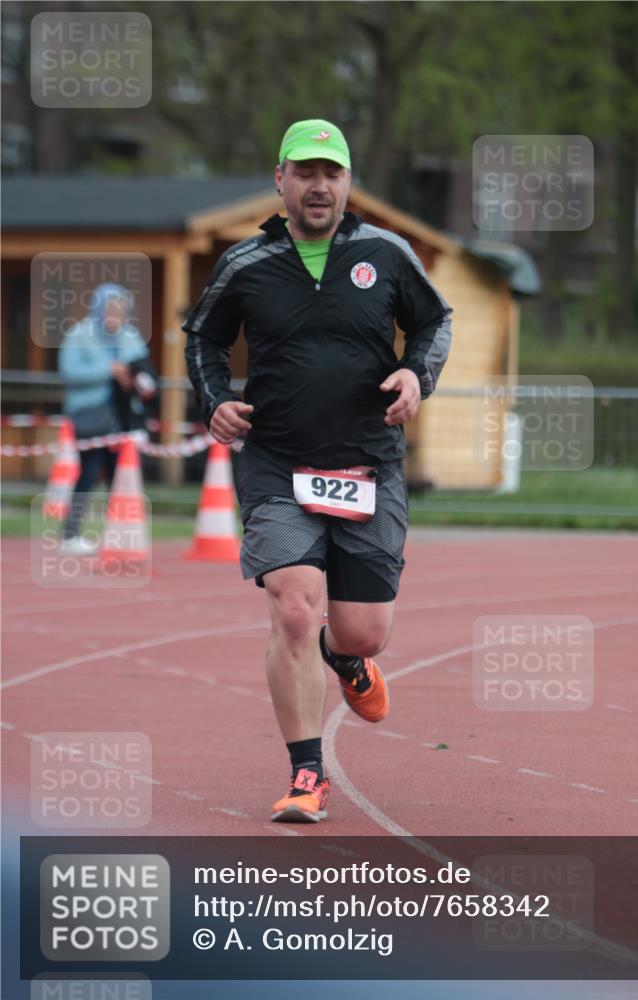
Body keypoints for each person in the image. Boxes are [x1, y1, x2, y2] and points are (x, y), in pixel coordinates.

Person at [183, 119, 452, 822]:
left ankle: (348, 658)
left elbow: (435, 321)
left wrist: (416, 375)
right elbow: (204, 338)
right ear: (280, 180)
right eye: (304, 172)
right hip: (276, 460)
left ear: (347, 182)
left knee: (361, 631)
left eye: (330, 173)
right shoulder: (246, 262)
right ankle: (308, 774)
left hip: (368, 461)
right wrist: (215, 401)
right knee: (295, 608)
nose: (318, 185)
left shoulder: (385, 254)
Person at [59, 283, 155, 553]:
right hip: (90, 415)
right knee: (88, 472)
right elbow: (69, 373)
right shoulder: (79, 335)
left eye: (120, 310)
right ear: (98, 309)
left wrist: (135, 377)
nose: (115, 314)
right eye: (110, 309)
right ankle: (70, 534)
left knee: (120, 476)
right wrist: (109, 370)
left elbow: (143, 367)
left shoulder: (130, 336)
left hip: (123, 417)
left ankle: (117, 534)